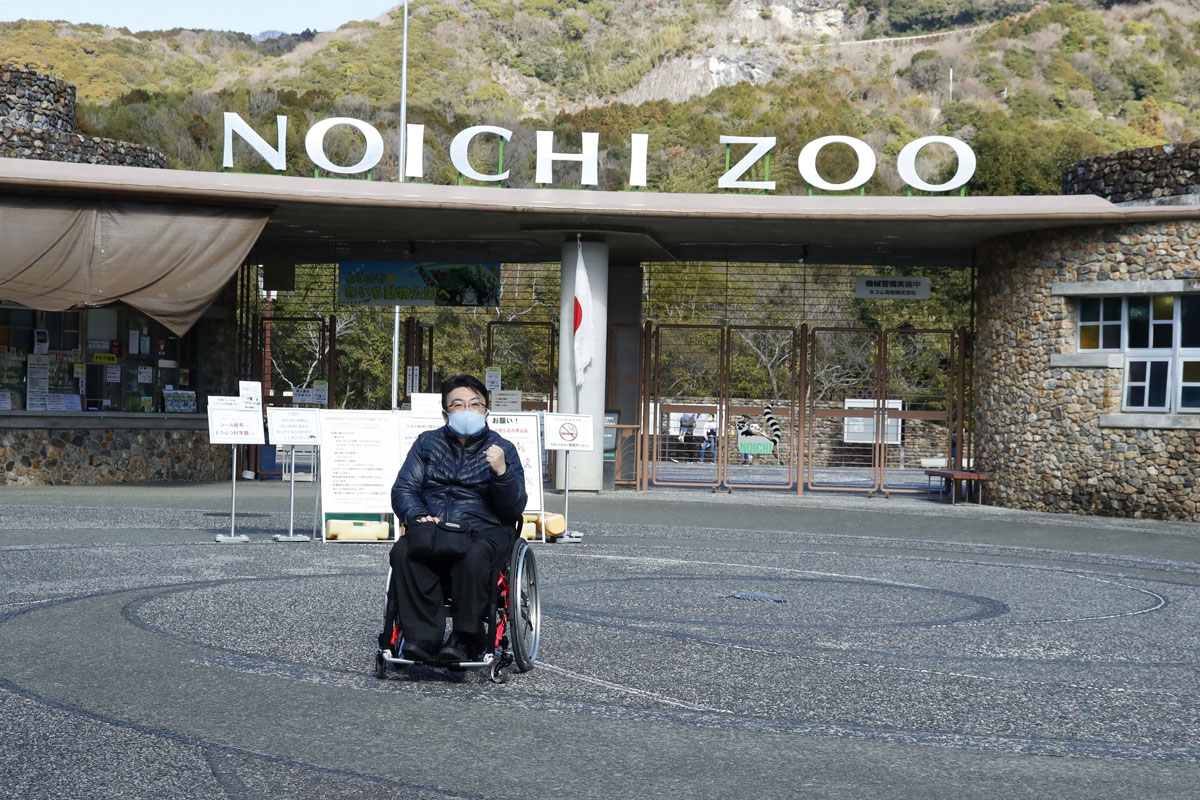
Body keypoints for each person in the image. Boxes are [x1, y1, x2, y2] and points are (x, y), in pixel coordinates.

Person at [389, 374, 527, 664]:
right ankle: (423, 638)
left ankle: (467, 637)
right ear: (445, 412)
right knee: (405, 550)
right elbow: (405, 488)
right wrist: (418, 515)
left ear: (487, 410)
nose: (467, 411)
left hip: (484, 529)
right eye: (458, 404)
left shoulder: (503, 449)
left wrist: (501, 473)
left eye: (475, 404)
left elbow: (514, 508)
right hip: (435, 525)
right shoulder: (427, 443)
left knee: (473, 555)